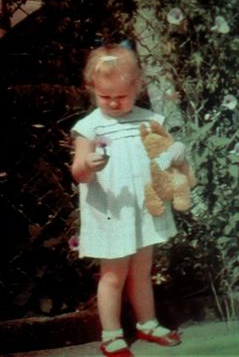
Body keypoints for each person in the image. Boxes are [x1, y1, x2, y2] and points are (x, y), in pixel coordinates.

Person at [71, 44, 185, 357]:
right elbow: (78, 172)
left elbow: (163, 156)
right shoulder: (90, 127)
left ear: (136, 87)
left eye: (120, 96)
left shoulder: (149, 120)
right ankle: (111, 334)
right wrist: (87, 167)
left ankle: (146, 323)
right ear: (93, 90)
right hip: (112, 213)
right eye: (104, 97)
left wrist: (173, 156)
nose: (113, 103)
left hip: (143, 210)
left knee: (142, 270)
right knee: (113, 275)